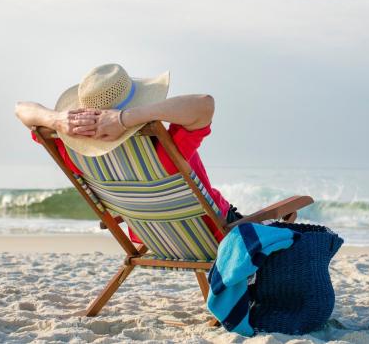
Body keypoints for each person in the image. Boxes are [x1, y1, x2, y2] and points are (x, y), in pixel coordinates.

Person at [15, 63, 240, 242]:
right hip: (218, 232)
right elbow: (205, 105)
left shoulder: (70, 150)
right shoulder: (166, 150)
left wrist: (56, 120)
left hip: (151, 237)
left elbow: (21, 108)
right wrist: (128, 118)